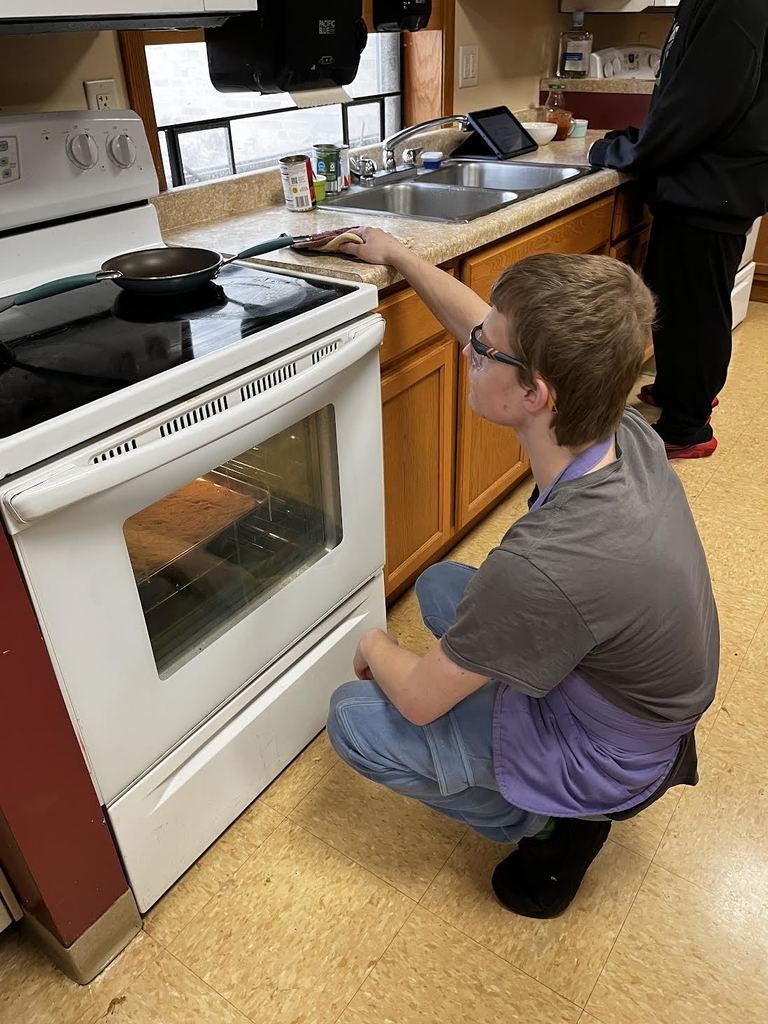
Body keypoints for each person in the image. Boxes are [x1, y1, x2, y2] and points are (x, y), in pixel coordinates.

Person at [325, 230, 719, 918]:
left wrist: (370, 644)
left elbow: (417, 700)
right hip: (635, 696)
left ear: (536, 393)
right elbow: (477, 322)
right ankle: (546, 784)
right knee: (443, 587)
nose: (471, 347)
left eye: (486, 350)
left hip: (618, 754)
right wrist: (399, 256)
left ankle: (546, 825)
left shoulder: (545, 562)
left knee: (355, 717)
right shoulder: (622, 429)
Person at [589, 0, 768, 459]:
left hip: (711, 187)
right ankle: (676, 391)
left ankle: (687, 427)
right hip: (704, 181)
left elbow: (700, 106)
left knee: (696, 312)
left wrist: (626, 152)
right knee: (675, 298)